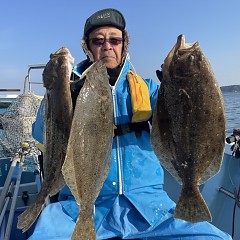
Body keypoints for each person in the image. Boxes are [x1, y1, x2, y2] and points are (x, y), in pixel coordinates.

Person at [29, 8, 232, 240]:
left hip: (149, 208)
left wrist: (177, 86)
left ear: (124, 44)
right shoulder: (70, 89)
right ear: (87, 46)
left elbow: (190, 122)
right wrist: (57, 95)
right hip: (80, 208)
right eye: (98, 41)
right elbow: (42, 134)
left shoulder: (147, 89)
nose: (107, 47)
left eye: (114, 40)